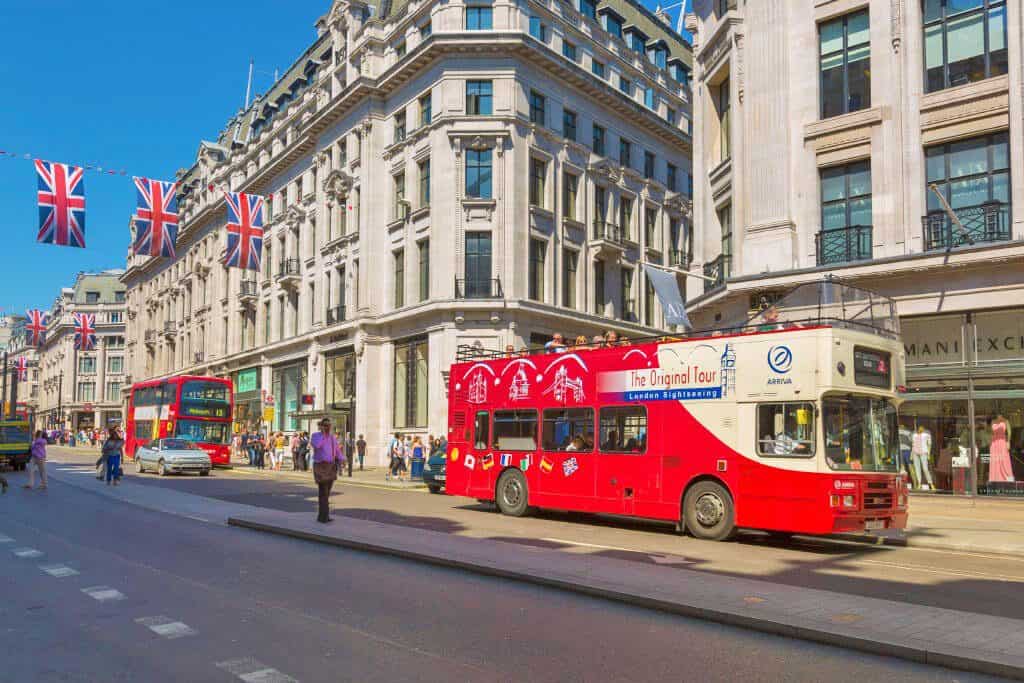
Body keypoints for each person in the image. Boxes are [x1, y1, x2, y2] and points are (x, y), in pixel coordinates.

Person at [310, 418, 344, 523]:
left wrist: (342, 459)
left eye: (329, 425)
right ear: (320, 426)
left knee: (327, 492)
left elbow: (337, 450)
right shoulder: (315, 436)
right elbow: (317, 445)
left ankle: (324, 516)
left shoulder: (332, 438)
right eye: (325, 425)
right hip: (320, 466)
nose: (327, 427)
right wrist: (324, 435)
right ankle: (323, 517)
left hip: (331, 466)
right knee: (323, 491)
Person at [911, 425, 934, 490]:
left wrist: (928, 454)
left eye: (922, 427)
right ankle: (919, 483)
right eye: (919, 428)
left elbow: (929, 444)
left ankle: (931, 483)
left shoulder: (926, 434)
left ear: (923, 428)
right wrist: (911, 455)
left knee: (925, 469)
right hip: (915, 453)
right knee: (917, 469)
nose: (920, 428)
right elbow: (913, 445)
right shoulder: (914, 435)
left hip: (924, 452)